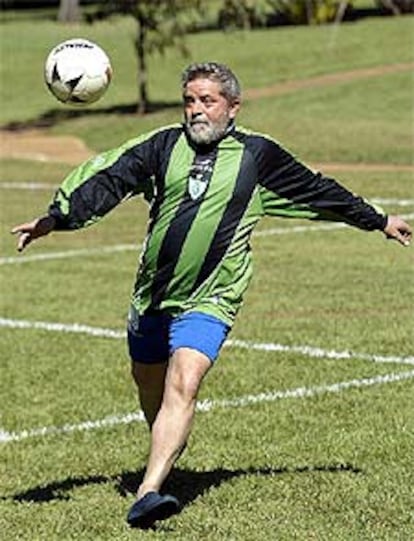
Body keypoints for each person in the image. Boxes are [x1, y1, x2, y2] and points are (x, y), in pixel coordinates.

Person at [12, 62, 412, 529]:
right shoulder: (163, 146)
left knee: (184, 382)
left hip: (212, 296)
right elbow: (109, 178)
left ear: (233, 107)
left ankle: (148, 492)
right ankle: (166, 447)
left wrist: (378, 220)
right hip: (153, 295)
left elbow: (316, 190)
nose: (196, 110)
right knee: (149, 383)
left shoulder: (258, 156)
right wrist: (56, 218)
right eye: (189, 101)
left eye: (208, 101)